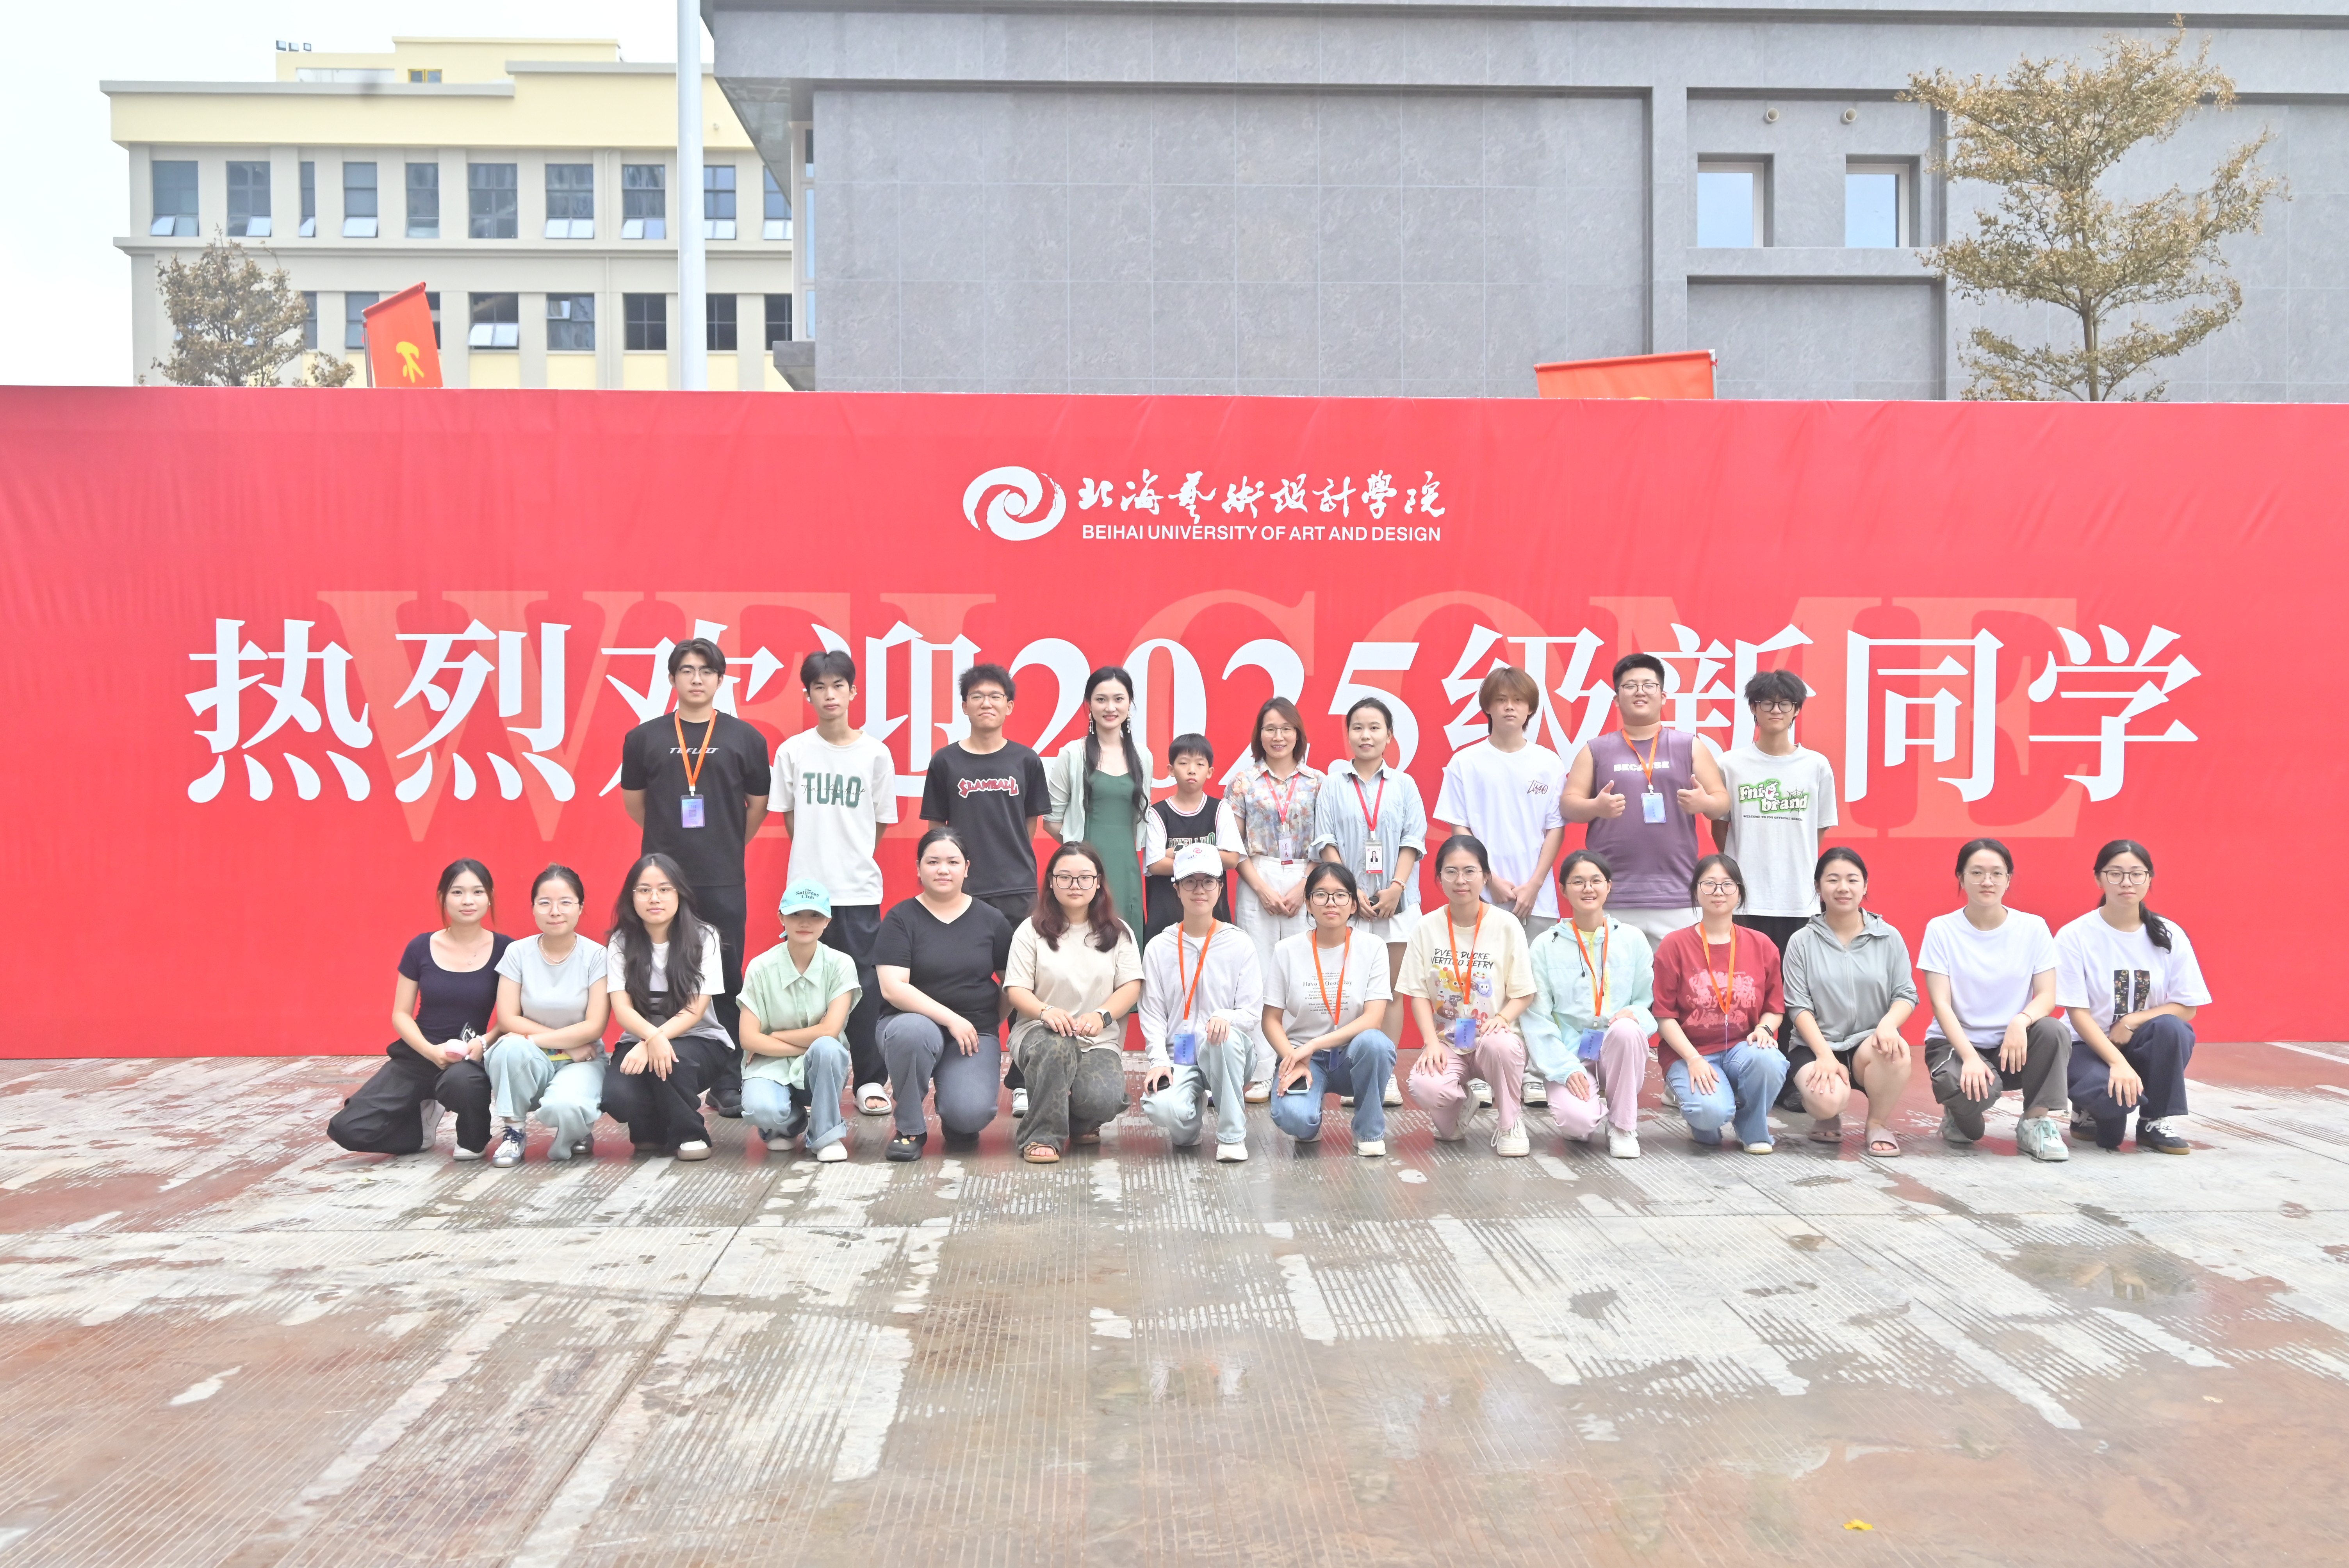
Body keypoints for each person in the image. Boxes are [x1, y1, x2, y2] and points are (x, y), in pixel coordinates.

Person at [619, 637, 771, 1120]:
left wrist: (724, 844)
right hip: (662, 880)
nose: (697, 679)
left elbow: (757, 807)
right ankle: (661, 1069)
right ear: (672, 678)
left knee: (724, 977)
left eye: (706, 671)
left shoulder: (745, 737)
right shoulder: (643, 737)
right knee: (660, 972)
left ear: (721, 679)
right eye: (686, 670)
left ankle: (728, 1080)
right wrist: (668, 851)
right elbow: (636, 804)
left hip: (722, 877)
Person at [770, 649, 897, 1120]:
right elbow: (790, 818)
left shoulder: (875, 753)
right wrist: (814, 863)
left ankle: (869, 1080)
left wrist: (850, 856)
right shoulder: (793, 751)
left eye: (838, 685)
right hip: (807, 893)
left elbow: (879, 822)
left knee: (863, 989)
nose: (830, 695)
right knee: (804, 989)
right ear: (808, 694)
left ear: (853, 691)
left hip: (858, 890)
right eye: (819, 687)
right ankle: (803, 1083)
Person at [920, 662, 1051, 1116]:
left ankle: (1022, 1078)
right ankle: (953, 1065)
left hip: (1016, 888)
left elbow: (1030, 824)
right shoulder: (946, 761)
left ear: (1009, 705)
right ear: (964, 706)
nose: (986, 703)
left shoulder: (1026, 760)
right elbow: (937, 831)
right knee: (961, 977)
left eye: (996, 696)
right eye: (977, 696)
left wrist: (1010, 862)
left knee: (1024, 982)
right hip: (963, 892)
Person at [327, 859, 507, 1159]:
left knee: (464, 1097)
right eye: (457, 892)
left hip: (469, 1059)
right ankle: (421, 1127)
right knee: (348, 1129)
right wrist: (430, 1051)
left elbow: (512, 1017)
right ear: (443, 898)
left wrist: (484, 1043)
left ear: (489, 897)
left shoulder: (507, 950)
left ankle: (473, 1137)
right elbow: (401, 1014)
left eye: (477, 892)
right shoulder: (420, 947)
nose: (468, 901)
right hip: (418, 1055)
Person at [1916, 838, 2071, 1162]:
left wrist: (2020, 1021)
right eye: (1977, 873)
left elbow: (2047, 996)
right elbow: (1941, 1004)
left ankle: (2035, 1122)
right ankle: (1958, 1114)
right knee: (1969, 1132)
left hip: (2013, 1048)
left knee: (2053, 1030)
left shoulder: (2033, 928)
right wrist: (1969, 1057)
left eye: (1997, 873)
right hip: (1956, 1045)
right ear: (1961, 878)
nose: (1987, 881)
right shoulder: (1941, 929)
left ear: (2008, 879)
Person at [1562, 654, 1730, 950]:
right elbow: (1568, 805)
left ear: (1663, 696)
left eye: (1649, 685)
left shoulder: (1689, 745)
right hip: (1613, 894)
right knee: (1611, 975)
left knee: (1678, 975)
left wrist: (1704, 803)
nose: (1640, 692)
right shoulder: (1596, 749)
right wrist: (1596, 808)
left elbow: (1722, 803)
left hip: (1677, 894)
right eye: (1630, 686)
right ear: (1617, 699)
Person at [2057, 839, 2209, 1155]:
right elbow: (2077, 1014)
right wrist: (2117, 1063)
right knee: (2110, 1130)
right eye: (2115, 874)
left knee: (2173, 1028)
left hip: (2139, 1043)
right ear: (2098, 879)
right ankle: (2088, 1107)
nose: (2127, 882)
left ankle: (2154, 1120)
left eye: (2137, 874)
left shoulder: (2169, 935)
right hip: (2086, 1046)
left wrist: (2132, 1021)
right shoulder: (2075, 936)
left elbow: (2187, 1007)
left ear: (2149, 879)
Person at [876, 827, 1017, 1160]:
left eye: (953, 862)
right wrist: (952, 1019)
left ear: (966, 868)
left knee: (970, 1115)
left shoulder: (992, 920)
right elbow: (893, 987)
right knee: (912, 1031)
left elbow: (1012, 984)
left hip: (972, 1031)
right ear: (918, 868)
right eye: (933, 862)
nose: (943, 870)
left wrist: (986, 1023)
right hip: (910, 1026)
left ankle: (956, 1113)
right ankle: (910, 1128)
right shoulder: (900, 919)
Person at [1312, 698, 1420, 1110]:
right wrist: (1349, 889)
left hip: (1397, 905)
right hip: (1348, 904)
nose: (1366, 735)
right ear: (1348, 735)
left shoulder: (1404, 785)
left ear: (1389, 736)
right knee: (1352, 993)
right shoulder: (1333, 784)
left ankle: (1385, 1077)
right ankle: (1353, 1073)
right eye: (1358, 727)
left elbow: (1413, 840)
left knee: (1390, 993)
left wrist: (1396, 887)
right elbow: (1326, 841)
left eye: (1375, 728)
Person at [1003, 843, 1143, 1163]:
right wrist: (1046, 1012)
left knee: (1103, 1099)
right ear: (1051, 882)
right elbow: (1017, 991)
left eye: (1085, 878)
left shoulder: (1119, 933)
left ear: (1098, 882)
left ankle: (1080, 1121)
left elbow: (1131, 986)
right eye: (1065, 877)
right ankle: (1041, 1136)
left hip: (1097, 1039)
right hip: (1040, 1034)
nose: (1075, 885)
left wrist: (1102, 1015)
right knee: (1057, 1046)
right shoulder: (1030, 931)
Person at [1399, 836, 1538, 1157]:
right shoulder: (1426, 927)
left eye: (1470, 871)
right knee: (1425, 1087)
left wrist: (1502, 1018)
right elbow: (1418, 994)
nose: (1460, 880)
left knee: (1500, 1045)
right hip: (1449, 1041)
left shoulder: (1506, 925)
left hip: (1494, 1037)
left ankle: (1510, 1122)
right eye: (1451, 872)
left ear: (1486, 876)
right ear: (1439, 878)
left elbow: (1524, 993)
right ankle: (1463, 1104)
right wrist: (1431, 1043)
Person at [1217, 697, 1322, 1102]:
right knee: (1258, 975)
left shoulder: (1317, 782)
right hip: (1256, 874)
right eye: (1270, 728)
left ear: (1299, 734)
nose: (1278, 736)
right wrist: (1260, 887)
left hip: (1304, 876)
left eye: (1286, 728)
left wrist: (1303, 886)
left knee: (1301, 972)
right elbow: (1233, 845)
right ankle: (1261, 1070)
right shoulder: (1243, 783)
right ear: (1259, 735)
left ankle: (1298, 1066)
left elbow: (1323, 842)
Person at [1782, 848, 1917, 1158]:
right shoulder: (1801, 941)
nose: (1843, 888)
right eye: (1833, 880)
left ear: (1865, 886)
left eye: (1852, 880)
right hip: (1815, 1044)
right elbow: (1798, 1007)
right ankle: (1827, 1115)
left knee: (1897, 1053)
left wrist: (1888, 1026)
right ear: (1818, 887)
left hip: (1869, 1041)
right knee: (1827, 1101)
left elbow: (1905, 994)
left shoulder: (1889, 937)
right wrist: (1824, 1054)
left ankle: (1877, 1124)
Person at [597, 854, 732, 1160]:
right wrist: (650, 1039)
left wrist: (655, 1041)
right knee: (617, 1097)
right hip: (640, 1041)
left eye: (664, 889)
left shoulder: (704, 937)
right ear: (631, 896)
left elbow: (695, 1010)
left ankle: (691, 1134)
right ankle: (650, 1129)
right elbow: (623, 1009)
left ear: (680, 893)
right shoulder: (621, 942)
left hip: (701, 1041)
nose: (654, 898)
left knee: (672, 1060)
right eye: (644, 890)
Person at [1521, 850, 1653, 1159]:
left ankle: (1623, 1126)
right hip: (1570, 1053)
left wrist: (1635, 1014)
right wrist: (1565, 1069)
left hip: (1618, 1048)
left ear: (1609, 886)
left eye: (1596, 881)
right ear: (1564, 890)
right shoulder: (1545, 945)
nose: (1588, 888)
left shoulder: (1632, 940)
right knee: (1577, 1126)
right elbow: (1537, 1018)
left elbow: (1646, 1001)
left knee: (1626, 1030)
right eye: (1578, 882)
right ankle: (1588, 1109)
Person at [1651, 854, 1787, 1153]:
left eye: (1727, 884)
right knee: (1710, 1114)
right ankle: (1703, 1121)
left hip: (1742, 1050)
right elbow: (1663, 1015)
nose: (1718, 892)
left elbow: (1775, 1007)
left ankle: (1753, 1128)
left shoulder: (1762, 945)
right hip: (1692, 1053)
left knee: (1769, 1060)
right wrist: (1693, 1059)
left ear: (1739, 892)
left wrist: (1764, 1029)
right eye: (1709, 884)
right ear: (1696, 891)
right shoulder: (1675, 945)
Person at [1138, 844, 1266, 1161]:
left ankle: (1232, 1137)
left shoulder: (1239, 943)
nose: (1200, 890)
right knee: (1162, 1109)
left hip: (1229, 1055)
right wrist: (1158, 1061)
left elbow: (1252, 1011)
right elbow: (1152, 1013)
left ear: (1220, 888)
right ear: (1177, 889)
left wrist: (1226, 1018)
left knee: (1222, 1040)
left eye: (1208, 881)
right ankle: (1189, 1118)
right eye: (1190, 882)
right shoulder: (1159, 947)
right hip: (1180, 1058)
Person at [1264, 863, 1398, 1156]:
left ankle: (1369, 1130)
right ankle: (1309, 1119)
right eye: (1321, 895)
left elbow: (1374, 1019)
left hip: (1352, 1054)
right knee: (1295, 1120)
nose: (1331, 903)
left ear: (1353, 904)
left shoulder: (1373, 947)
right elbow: (1271, 1020)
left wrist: (1313, 1044)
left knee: (1376, 1043)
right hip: (1303, 1058)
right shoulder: (1286, 950)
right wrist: (1293, 1057)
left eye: (1340, 895)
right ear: (1308, 903)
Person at [483, 864, 610, 1167]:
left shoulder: (597, 956)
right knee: (508, 1048)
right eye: (545, 903)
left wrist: (547, 1042)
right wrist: (564, 1045)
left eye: (565, 902)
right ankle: (514, 1132)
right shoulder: (517, 953)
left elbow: (594, 1026)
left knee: (566, 1107)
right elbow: (508, 1019)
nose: (555, 911)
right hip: (535, 1057)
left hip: (583, 1060)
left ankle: (577, 1128)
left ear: (580, 907)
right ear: (533, 908)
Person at [1711, 668, 1839, 964]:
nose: (1776, 710)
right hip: (1744, 898)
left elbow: (1818, 830)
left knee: (1795, 982)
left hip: (1798, 899)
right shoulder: (1730, 764)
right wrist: (1743, 860)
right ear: (1753, 708)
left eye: (1785, 704)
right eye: (1767, 703)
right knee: (1744, 980)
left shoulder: (1817, 766)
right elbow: (1721, 827)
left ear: (1797, 710)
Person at [1433, 666, 1567, 937]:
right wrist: (1489, 879)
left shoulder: (1549, 762)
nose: (1509, 707)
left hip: (1537, 901)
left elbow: (1555, 828)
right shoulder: (1465, 762)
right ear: (1488, 707)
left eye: (1518, 700)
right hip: (1481, 896)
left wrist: (1535, 885)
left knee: (1535, 966)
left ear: (1530, 708)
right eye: (1501, 700)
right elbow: (1460, 829)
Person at [737, 881, 859, 1163]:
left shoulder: (841, 964)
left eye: (815, 915)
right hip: (771, 1062)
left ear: (828, 920)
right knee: (760, 1109)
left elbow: (830, 1031)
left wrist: (775, 1036)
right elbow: (748, 1039)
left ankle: (826, 1134)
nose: (805, 923)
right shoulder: (760, 967)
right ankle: (789, 1124)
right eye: (795, 914)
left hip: (820, 1063)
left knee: (827, 1049)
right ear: (781, 917)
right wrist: (805, 1044)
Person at [1043, 665, 1155, 939]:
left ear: (1130, 704)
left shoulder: (1143, 756)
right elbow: (1051, 821)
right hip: (1084, 870)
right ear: (1090, 705)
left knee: (1126, 939)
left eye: (1119, 699)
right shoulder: (1072, 754)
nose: (1110, 708)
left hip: (1127, 865)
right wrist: (1079, 854)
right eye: (1101, 699)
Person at [1143, 732, 1230, 950]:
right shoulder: (1157, 813)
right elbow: (1156, 864)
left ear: (1210, 772)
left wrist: (1176, 852)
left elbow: (1231, 859)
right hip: (1167, 914)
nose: (1192, 770)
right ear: (1171, 770)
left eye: (1200, 764)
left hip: (1212, 916)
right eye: (1183, 763)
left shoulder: (1221, 809)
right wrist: (1208, 857)